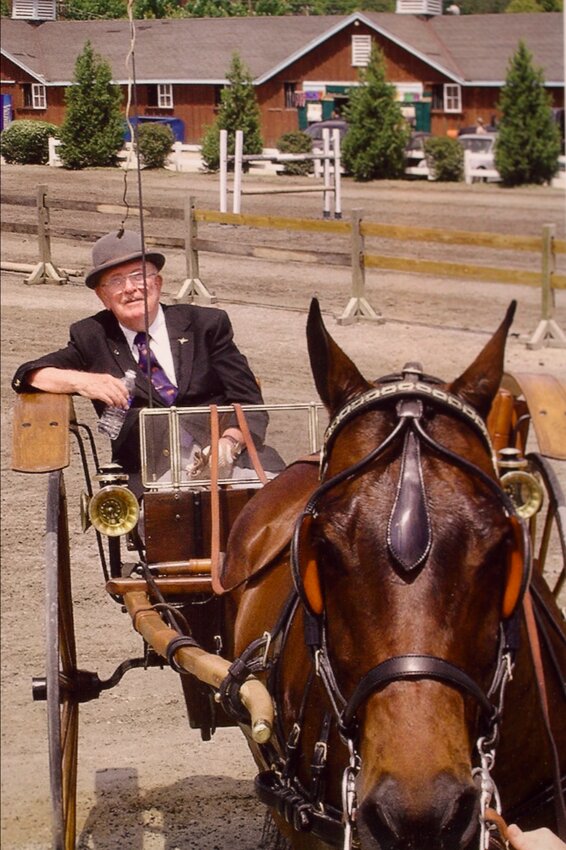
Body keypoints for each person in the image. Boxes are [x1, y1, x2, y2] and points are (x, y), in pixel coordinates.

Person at [12, 229, 282, 491]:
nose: (130, 288)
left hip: (230, 462)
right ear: (102, 296)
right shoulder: (92, 336)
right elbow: (28, 375)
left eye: (138, 276)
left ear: (158, 283)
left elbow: (250, 401)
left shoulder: (206, 325)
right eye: (116, 281)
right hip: (150, 475)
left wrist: (229, 443)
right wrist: (83, 382)